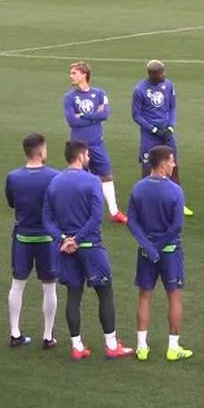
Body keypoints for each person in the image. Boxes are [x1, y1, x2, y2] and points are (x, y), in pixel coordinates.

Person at [43, 140, 134, 360]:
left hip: (66, 250)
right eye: (88, 156)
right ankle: (111, 345)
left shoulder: (54, 182)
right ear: (81, 156)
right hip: (91, 247)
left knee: (73, 295)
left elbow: (47, 218)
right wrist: (78, 238)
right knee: (105, 293)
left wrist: (64, 239)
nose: (90, 159)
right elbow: (96, 216)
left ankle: (77, 346)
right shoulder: (92, 181)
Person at [126, 145, 193, 362]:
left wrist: (148, 246)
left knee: (144, 296)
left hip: (146, 251)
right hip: (170, 251)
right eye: (172, 161)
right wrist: (159, 247)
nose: (174, 164)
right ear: (163, 164)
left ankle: (141, 346)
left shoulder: (138, 188)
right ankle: (173, 347)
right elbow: (176, 227)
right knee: (174, 296)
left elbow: (132, 222)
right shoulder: (175, 190)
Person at [4, 133, 61, 349]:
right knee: (49, 287)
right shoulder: (55, 176)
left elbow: (11, 203)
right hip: (47, 238)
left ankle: (14, 332)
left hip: (22, 237)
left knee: (17, 285)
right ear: (41, 151)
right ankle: (48, 336)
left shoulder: (13, 177)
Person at [63, 61, 128, 224]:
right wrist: (93, 115)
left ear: (84, 74)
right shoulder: (69, 97)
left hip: (97, 144)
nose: (71, 76)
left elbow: (104, 114)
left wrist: (83, 116)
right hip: (78, 146)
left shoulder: (99, 93)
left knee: (106, 175)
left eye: (74, 73)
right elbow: (72, 120)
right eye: (71, 73)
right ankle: (79, 212)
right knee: (79, 178)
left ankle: (114, 212)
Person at [131, 59, 194, 217]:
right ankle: (144, 204)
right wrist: (153, 129)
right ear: (152, 74)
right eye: (161, 73)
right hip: (149, 135)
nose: (164, 75)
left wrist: (170, 127)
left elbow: (172, 106)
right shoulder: (140, 90)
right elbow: (136, 115)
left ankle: (179, 203)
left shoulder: (168, 85)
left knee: (173, 165)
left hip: (167, 132)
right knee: (147, 167)